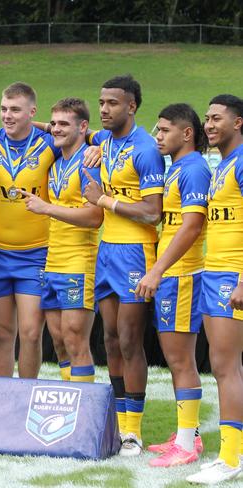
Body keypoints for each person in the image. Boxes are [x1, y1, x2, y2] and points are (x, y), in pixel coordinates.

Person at [83, 75, 165, 456]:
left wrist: (104, 201)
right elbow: (65, 130)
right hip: (107, 252)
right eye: (101, 102)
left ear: (131, 107)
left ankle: (133, 430)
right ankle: (117, 422)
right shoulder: (103, 140)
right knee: (110, 339)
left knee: (131, 340)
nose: (103, 109)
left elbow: (152, 212)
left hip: (135, 253)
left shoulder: (146, 149)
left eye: (112, 103)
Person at [132, 104, 210, 467]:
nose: (157, 136)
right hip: (173, 276)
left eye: (164, 130)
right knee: (178, 358)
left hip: (182, 276)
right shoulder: (178, 167)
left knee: (180, 359)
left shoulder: (193, 169)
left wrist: (158, 270)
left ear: (187, 133)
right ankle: (187, 434)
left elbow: (191, 226)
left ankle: (187, 444)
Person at [0, 82, 60, 378]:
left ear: (32, 112)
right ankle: (3, 400)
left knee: (30, 333)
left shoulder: (50, 144)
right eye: (3, 109)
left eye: (15, 109)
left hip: (35, 254)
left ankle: (27, 396)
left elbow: (87, 137)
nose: (7, 115)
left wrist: (42, 125)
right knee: (2, 334)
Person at [22, 98, 102, 383]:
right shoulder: (57, 162)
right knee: (58, 341)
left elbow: (95, 216)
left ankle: (83, 414)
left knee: (75, 338)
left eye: (63, 124)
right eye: (53, 124)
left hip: (79, 261)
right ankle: (71, 403)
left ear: (83, 127)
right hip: (52, 261)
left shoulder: (89, 163)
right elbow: (43, 127)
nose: (55, 129)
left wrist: (46, 208)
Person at [186, 94, 243, 484]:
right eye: (206, 118)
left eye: (217, 118)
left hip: (231, 276)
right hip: (214, 273)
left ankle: (230, 457)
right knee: (227, 368)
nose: (209, 124)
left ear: (238, 123)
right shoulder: (222, 164)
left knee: (225, 368)